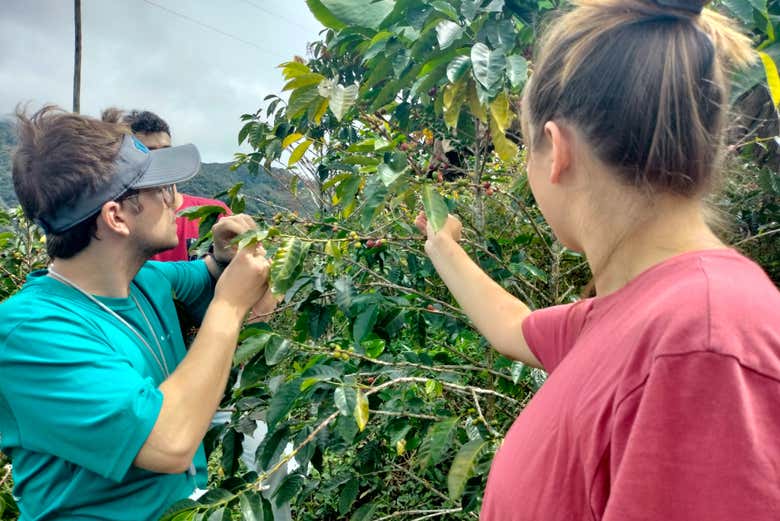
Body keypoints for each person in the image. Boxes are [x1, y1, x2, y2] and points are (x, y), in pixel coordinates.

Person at [415, 1, 780, 519]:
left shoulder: (702, 342)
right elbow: (513, 326)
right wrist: (443, 247)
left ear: (555, 149)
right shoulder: (639, 315)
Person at [0, 106, 271, 520]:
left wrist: (223, 255)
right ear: (116, 217)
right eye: (159, 189)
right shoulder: (29, 331)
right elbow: (168, 442)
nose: (176, 199)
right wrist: (229, 306)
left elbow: (234, 284)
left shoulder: (149, 280)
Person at [119, 109, 232, 262]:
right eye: (148, 154)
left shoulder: (215, 214)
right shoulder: (124, 223)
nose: (161, 162)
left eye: (166, 152)